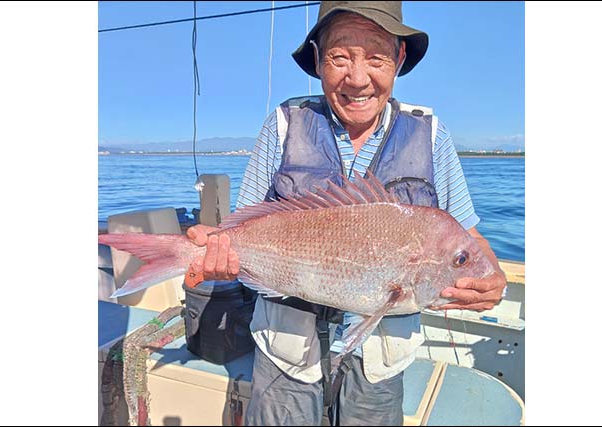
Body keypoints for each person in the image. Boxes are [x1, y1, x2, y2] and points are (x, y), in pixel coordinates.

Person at [186, 2, 507, 425]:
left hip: (380, 361)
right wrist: (218, 253)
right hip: (285, 352)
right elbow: (244, 226)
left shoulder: (429, 132)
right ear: (318, 60)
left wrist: (492, 278)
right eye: (340, 57)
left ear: (399, 58)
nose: (358, 79)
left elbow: (467, 237)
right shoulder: (284, 123)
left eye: (376, 57)